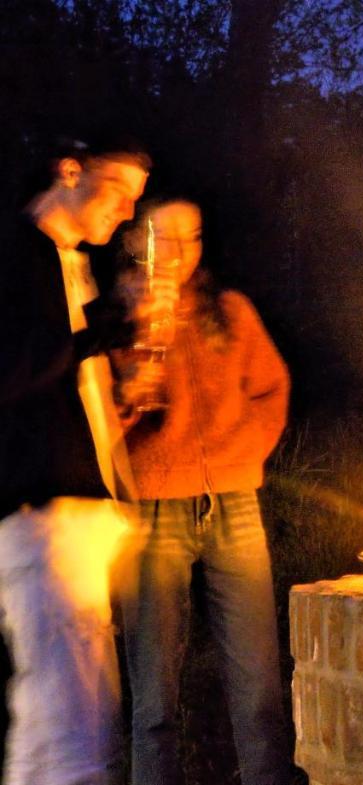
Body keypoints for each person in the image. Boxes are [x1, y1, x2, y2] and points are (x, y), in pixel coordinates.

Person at [112, 196, 293, 785]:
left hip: (234, 505)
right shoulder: (111, 318)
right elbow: (102, 420)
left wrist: (246, 455)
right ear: (136, 241)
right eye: (165, 238)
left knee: (260, 686)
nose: (180, 252)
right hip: (154, 512)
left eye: (192, 237)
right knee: (156, 696)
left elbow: (271, 389)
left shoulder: (231, 312)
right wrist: (137, 367)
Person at [0, 134, 162, 785]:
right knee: (77, 732)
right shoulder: (15, 255)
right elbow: (12, 371)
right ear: (70, 171)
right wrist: (95, 331)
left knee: (46, 731)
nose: (126, 213)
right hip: (44, 516)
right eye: (119, 191)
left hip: (80, 518)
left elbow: (70, 383)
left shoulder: (72, 266)